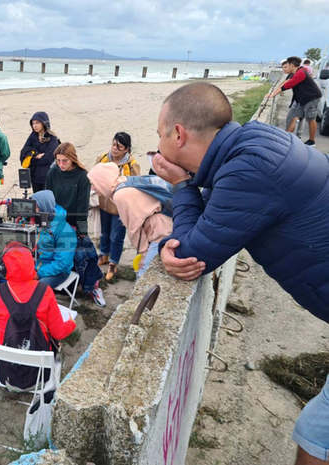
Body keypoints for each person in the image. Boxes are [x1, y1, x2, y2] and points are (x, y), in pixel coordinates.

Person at [151, 82, 329, 465]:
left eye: (159, 134)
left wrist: (181, 185)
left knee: (316, 437)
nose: (158, 143)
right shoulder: (252, 143)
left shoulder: (248, 171)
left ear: (178, 135)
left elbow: (192, 255)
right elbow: (212, 219)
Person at [0, 241, 76, 388]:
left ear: (4, 269)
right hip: (40, 369)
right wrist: (71, 323)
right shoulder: (45, 291)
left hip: (7, 368)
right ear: (32, 264)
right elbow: (59, 332)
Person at [88, 163, 173, 278]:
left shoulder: (120, 195)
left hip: (159, 232)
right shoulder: (125, 181)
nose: (92, 188)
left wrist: (143, 254)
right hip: (167, 222)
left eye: (94, 184)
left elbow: (135, 228)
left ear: (102, 181)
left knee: (144, 274)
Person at [94, 132, 141, 280]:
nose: (114, 149)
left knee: (117, 236)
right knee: (104, 232)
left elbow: (136, 186)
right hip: (104, 203)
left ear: (126, 149)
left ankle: (113, 264)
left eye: (119, 147)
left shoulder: (132, 165)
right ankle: (103, 255)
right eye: (114, 144)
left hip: (120, 207)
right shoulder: (102, 158)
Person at [269, 56, 322, 147]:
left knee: (310, 119)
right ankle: (286, 138)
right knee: (294, 117)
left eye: (287, 65)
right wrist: (274, 92)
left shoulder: (301, 73)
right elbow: (287, 82)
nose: (286, 67)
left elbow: (289, 84)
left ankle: (312, 141)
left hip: (312, 98)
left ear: (292, 65)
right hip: (302, 99)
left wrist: (273, 94)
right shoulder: (297, 71)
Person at [30, 190, 77, 289]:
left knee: (37, 288)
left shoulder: (65, 230)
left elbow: (62, 263)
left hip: (58, 271)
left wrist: (39, 274)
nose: (33, 210)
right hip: (35, 265)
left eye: (36, 207)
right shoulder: (36, 222)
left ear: (44, 207)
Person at [46, 142, 90, 236]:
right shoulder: (52, 172)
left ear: (72, 159)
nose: (61, 164)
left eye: (65, 161)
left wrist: (82, 231)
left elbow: (83, 206)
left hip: (73, 225)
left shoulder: (82, 176)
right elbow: (48, 200)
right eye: (58, 160)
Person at [20, 112, 60, 192]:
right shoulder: (32, 136)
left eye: (37, 123)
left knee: (47, 201)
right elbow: (23, 154)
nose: (35, 125)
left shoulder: (52, 138)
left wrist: (31, 158)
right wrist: (36, 155)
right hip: (34, 177)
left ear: (44, 123)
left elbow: (48, 159)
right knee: (37, 201)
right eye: (33, 123)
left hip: (48, 177)